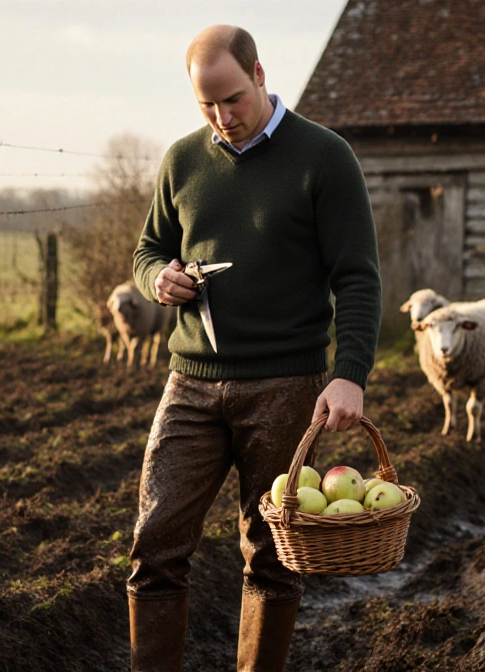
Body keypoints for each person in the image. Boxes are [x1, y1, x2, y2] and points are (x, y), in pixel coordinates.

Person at [127, 24, 381, 672]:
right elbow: (148, 249)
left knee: (271, 553)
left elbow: (356, 275)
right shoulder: (182, 161)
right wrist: (158, 279)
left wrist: (349, 373)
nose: (222, 117)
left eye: (232, 99)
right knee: (154, 546)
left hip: (285, 385)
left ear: (260, 75)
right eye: (206, 105)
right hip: (190, 383)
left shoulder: (324, 157)